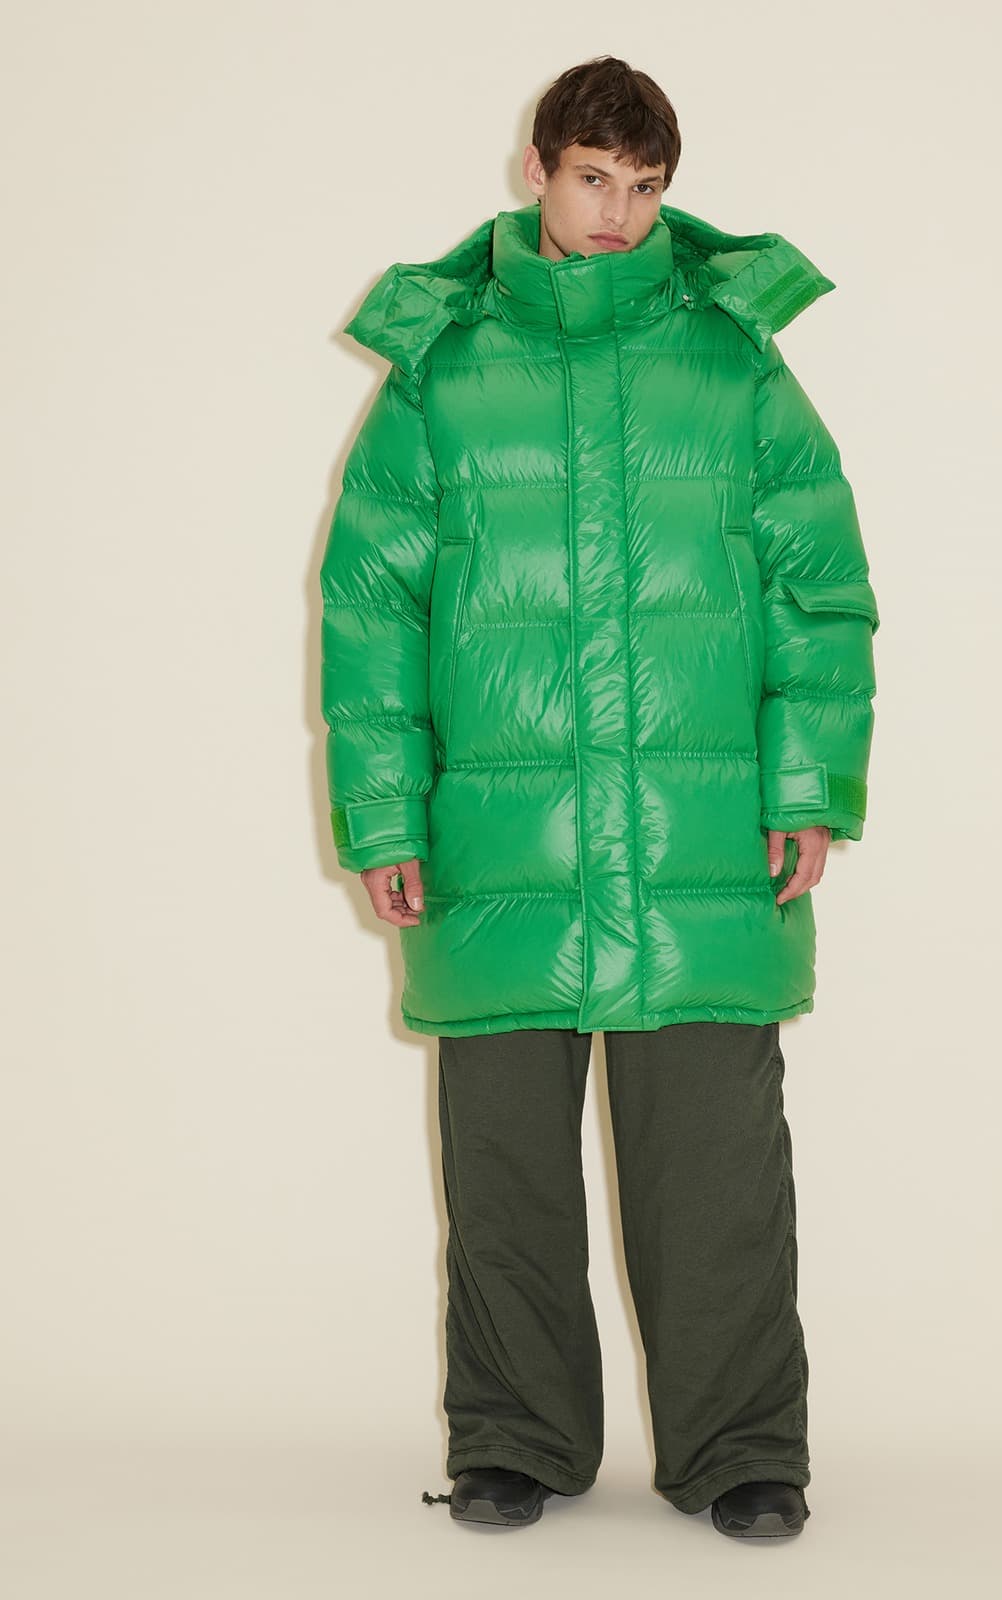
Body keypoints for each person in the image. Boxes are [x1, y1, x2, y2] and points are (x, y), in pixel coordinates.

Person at [319, 55, 880, 1540]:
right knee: (503, 1169)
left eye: (644, 187)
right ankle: (512, 1439)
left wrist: (808, 784)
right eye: (592, 179)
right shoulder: (444, 371)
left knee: (716, 1172)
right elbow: (370, 605)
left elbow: (819, 587)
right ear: (538, 171)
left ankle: (743, 1452)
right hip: (496, 843)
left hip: (701, 843)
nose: (618, 212)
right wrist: (384, 813)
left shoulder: (734, 364)